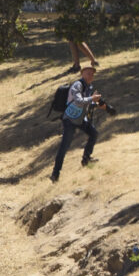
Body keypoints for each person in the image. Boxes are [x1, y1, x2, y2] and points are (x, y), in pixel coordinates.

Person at [50, 48, 108, 180]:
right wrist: (91, 99)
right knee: (64, 147)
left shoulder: (90, 87)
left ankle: (86, 160)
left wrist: (97, 104)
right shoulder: (77, 85)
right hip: (69, 120)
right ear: (82, 74)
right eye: (88, 73)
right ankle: (55, 174)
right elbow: (79, 101)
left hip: (81, 119)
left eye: (92, 74)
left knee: (94, 134)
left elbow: (87, 103)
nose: (91, 76)